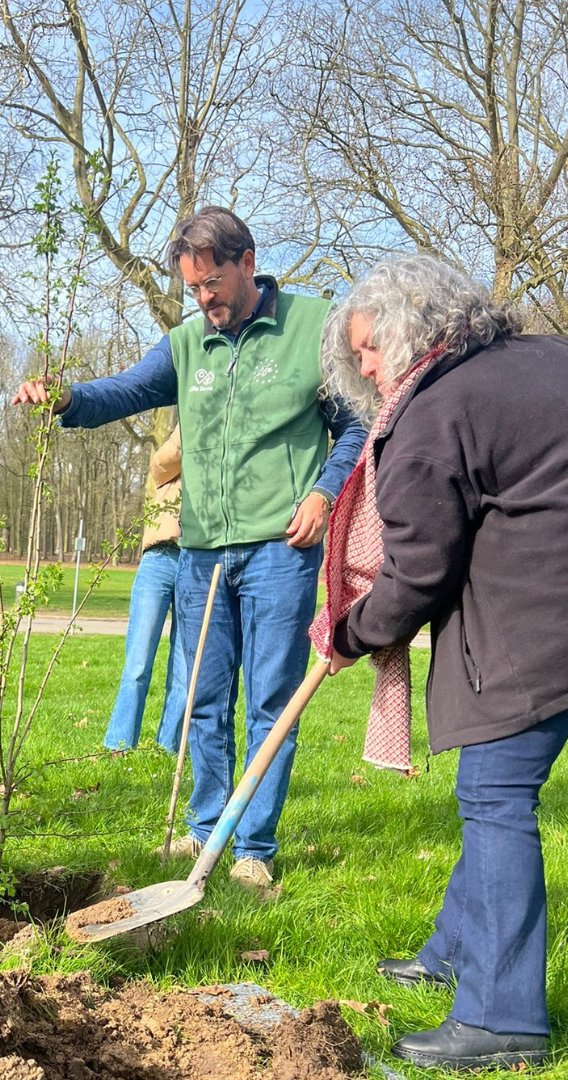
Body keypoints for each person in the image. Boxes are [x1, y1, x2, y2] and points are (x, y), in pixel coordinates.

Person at [12, 206, 366, 888]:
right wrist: (63, 398)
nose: (206, 301)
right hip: (201, 551)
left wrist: (324, 491)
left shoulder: (314, 329)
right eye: (193, 290)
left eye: (214, 285)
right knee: (203, 698)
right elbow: (124, 391)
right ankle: (207, 826)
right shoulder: (185, 343)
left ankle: (253, 848)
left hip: (279, 551)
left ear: (247, 262)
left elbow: (354, 423)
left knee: (270, 700)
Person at [320, 253, 568, 1072]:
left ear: (408, 332)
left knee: (494, 794)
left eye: (365, 350)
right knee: (492, 788)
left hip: (539, 623)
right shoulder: (544, 356)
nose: (361, 366)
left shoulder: (431, 413)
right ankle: (457, 950)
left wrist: (347, 633)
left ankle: (502, 1018)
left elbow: (419, 573)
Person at [104, 424, 186, 753]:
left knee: (184, 666)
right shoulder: (170, 463)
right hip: (160, 557)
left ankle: (168, 748)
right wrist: (194, 428)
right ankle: (119, 743)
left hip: (198, 562)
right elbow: (161, 463)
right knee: (138, 660)